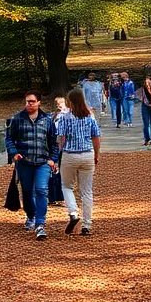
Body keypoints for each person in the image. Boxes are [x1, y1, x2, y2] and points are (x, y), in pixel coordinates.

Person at [5, 90, 60, 240]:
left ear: (38, 103)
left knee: (41, 190)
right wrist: (14, 152)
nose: (29, 104)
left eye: (32, 101)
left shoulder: (47, 120)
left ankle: (40, 223)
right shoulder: (17, 119)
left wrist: (53, 159)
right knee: (27, 192)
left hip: (43, 161)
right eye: (27, 101)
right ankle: (31, 215)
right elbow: (9, 138)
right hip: (25, 162)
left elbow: (54, 142)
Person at [56, 88, 101, 236]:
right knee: (86, 191)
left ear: (70, 101)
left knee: (66, 186)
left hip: (70, 154)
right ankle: (87, 225)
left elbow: (61, 138)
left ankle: (73, 212)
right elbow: (96, 137)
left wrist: (58, 153)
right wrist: (96, 154)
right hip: (87, 154)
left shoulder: (64, 117)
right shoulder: (90, 116)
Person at [137, 76, 151, 145]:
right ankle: (150, 139)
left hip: (148, 107)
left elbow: (137, 96)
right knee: (149, 123)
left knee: (149, 123)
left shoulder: (146, 90)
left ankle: (150, 139)